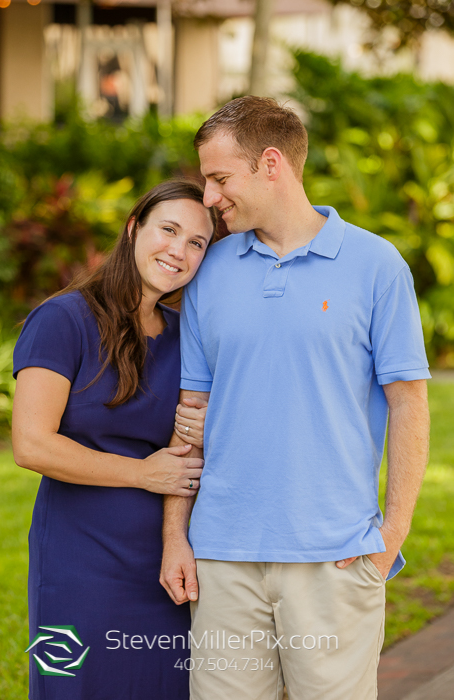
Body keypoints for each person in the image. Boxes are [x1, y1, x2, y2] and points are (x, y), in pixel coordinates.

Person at [160, 97, 431, 700]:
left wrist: (391, 538)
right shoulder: (211, 270)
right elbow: (191, 414)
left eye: (219, 177)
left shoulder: (376, 265)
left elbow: (411, 404)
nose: (208, 197)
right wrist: (176, 536)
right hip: (224, 557)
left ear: (272, 164)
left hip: (333, 556)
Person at [12, 180, 217, 700]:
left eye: (197, 242)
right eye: (168, 230)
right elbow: (31, 444)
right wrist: (143, 473)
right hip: (79, 562)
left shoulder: (182, 335)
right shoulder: (63, 319)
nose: (179, 249)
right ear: (133, 229)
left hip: (166, 562)